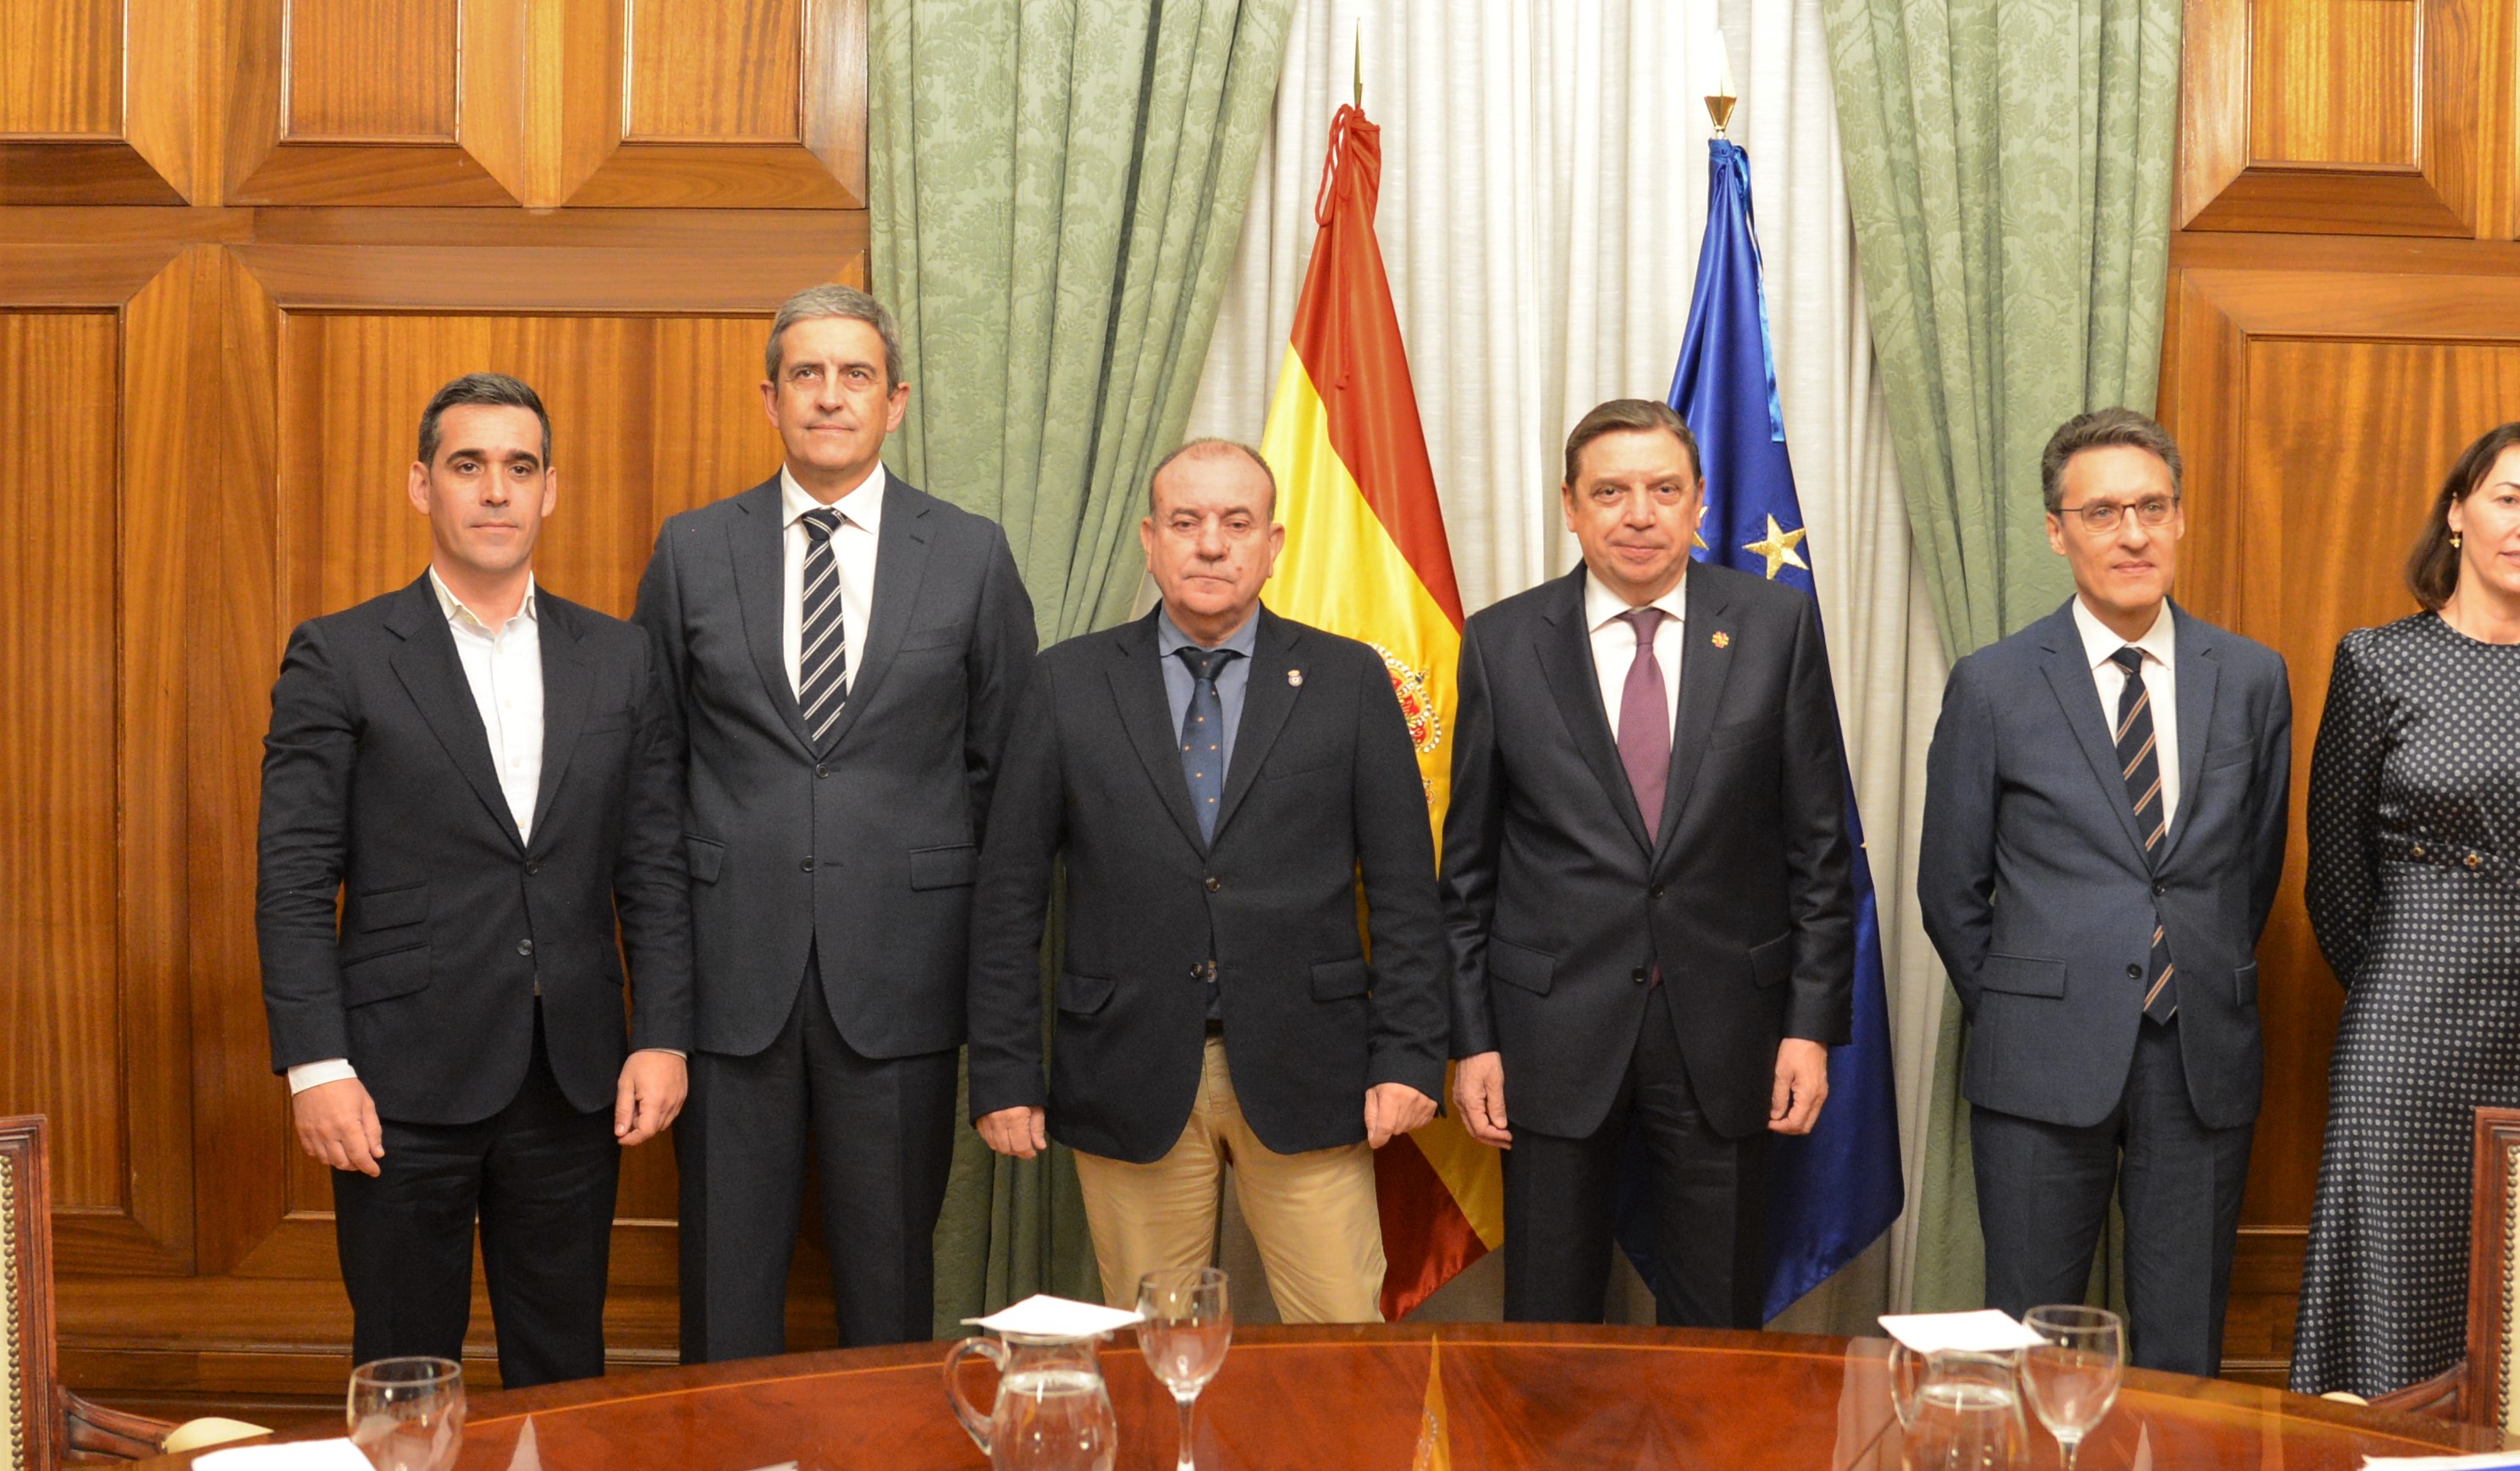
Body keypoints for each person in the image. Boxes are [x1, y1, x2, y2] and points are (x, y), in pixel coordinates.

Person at [256, 373, 689, 1388]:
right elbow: (294, 877)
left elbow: (653, 867)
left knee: (565, 1374)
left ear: (548, 491)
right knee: (405, 1376)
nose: (496, 490)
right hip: (396, 1084)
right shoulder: (341, 655)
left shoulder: (621, 659)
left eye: (519, 467)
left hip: (572, 1077)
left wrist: (662, 1034)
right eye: (468, 465)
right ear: (423, 485)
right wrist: (315, 1065)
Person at [634, 284, 1035, 1362]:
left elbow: (1007, 783)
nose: (829, 396)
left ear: (894, 401)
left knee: (889, 1297)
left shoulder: (969, 554)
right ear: (769, 399)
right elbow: (650, 783)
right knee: (724, 1301)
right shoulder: (690, 551)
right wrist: (658, 1012)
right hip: (729, 989)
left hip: (902, 986)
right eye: (805, 374)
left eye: (855, 375)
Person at [966, 439, 1447, 1319]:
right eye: (1186, 522)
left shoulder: (1348, 680)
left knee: (1341, 1348)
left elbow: (1407, 894)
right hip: (1128, 1065)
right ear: (1149, 541)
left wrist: (1410, 1055)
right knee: (1157, 1347)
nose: (1212, 544)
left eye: (1236, 522)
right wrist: (1003, 1073)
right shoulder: (1066, 682)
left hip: (1310, 1067)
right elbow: (1007, 900)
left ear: (1273, 544)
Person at [1440, 398, 1853, 1330]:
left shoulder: (1775, 627)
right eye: (1610, 492)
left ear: (1699, 502)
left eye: (1664, 490)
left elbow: (1819, 853)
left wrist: (1808, 1028)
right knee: (1548, 1327)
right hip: (1549, 1034)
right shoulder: (1502, 643)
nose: (1638, 514)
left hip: (1728, 1032)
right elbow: (1467, 873)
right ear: (1570, 506)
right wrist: (1473, 1039)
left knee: (1715, 1335)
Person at [1916, 408, 2292, 1378]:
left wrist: (2186, 971)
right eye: (2101, 513)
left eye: (2151, 508)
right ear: (2057, 531)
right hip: (2039, 1059)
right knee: (2029, 1346)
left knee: (2182, 1352)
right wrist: (2028, 1003)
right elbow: (1949, 887)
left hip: (2198, 1056)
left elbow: (2248, 871)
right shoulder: (1993, 685)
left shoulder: (2250, 678)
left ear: (2179, 518)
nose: (2131, 534)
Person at [2287, 422, 2520, 1399]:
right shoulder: (2375, 661)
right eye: (2508, 498)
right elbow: (2336, 872)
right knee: (2399, 1278)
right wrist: (2402, 977)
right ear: (2456, 513)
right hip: (2408, 1031)